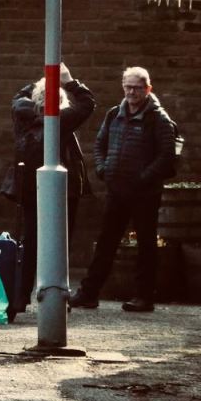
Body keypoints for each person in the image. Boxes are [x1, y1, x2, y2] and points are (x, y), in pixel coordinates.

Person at [70, 66, 177, 313]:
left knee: (146, 245)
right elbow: (100, 144)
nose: (131, 92)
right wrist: (102, 169)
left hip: (145, 193)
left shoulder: (159, 119)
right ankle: (89, 293)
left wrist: (143, 178)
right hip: (117, 190)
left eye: (137, 88)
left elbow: (167, 156)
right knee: (106, 243)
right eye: (127, 87)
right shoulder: (113, 114)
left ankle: (144, 297)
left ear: (148, 89)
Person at [9, 63, 95, 312]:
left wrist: (41, 82)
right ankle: (57, 294)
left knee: (30, 241)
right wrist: (68, 81)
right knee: (60, 243)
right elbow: (87, 103)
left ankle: (21, 296)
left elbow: (18, 96)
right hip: (62, 190)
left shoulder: (21, 115)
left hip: (30, 187)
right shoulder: (59, 120)